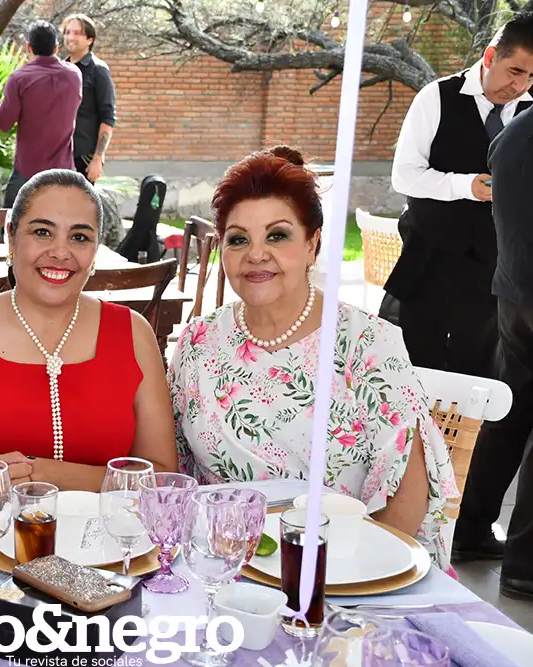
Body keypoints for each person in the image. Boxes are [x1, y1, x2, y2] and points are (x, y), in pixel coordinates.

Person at [167, 147, 458, 568]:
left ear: (312, 244)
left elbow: (405, 497)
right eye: (238, 239)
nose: (256, 254)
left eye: (277, 235)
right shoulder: (197, 342)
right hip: (226, 568)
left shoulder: (366, 343)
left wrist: (343, 582)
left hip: (348, 570)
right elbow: (179, 475)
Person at [0, 169, 177, 489]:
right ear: (11, 238)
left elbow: (164, 473)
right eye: (43, 232)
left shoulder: (134, 334)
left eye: (79, 237)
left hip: (110, 523)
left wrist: (53, 476)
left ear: (96, 250)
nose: (60, 252)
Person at [381, 14, 533, 378]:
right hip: (430, 259)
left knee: (480, 372)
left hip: (496, 269)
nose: (521, 86)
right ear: (490, 56)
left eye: (531, 77)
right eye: (515, 71)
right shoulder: (435, 98)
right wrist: (466, 187)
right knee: (417, 368)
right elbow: (404, 176)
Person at [453, 104, 533, 598]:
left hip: (514, 293)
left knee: (511, 414)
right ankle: (526, 566)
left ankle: (469, 529)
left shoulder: (515, 131)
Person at [0, 21, 82, 208]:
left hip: (27, 173)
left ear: (28, 47)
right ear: (56, 47)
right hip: (64, 172)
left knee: (12, 222)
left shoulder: (19, 78)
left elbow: (4, 122)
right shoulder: (75, 75)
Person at [62, 14, 116, 184]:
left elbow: (108, 117)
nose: (70, 37)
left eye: (77, 33)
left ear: (90, 39)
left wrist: (98, 158)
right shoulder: (60, 69)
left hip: (82, 158)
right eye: (67, 32)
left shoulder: (98, 70)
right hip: (58, 156)